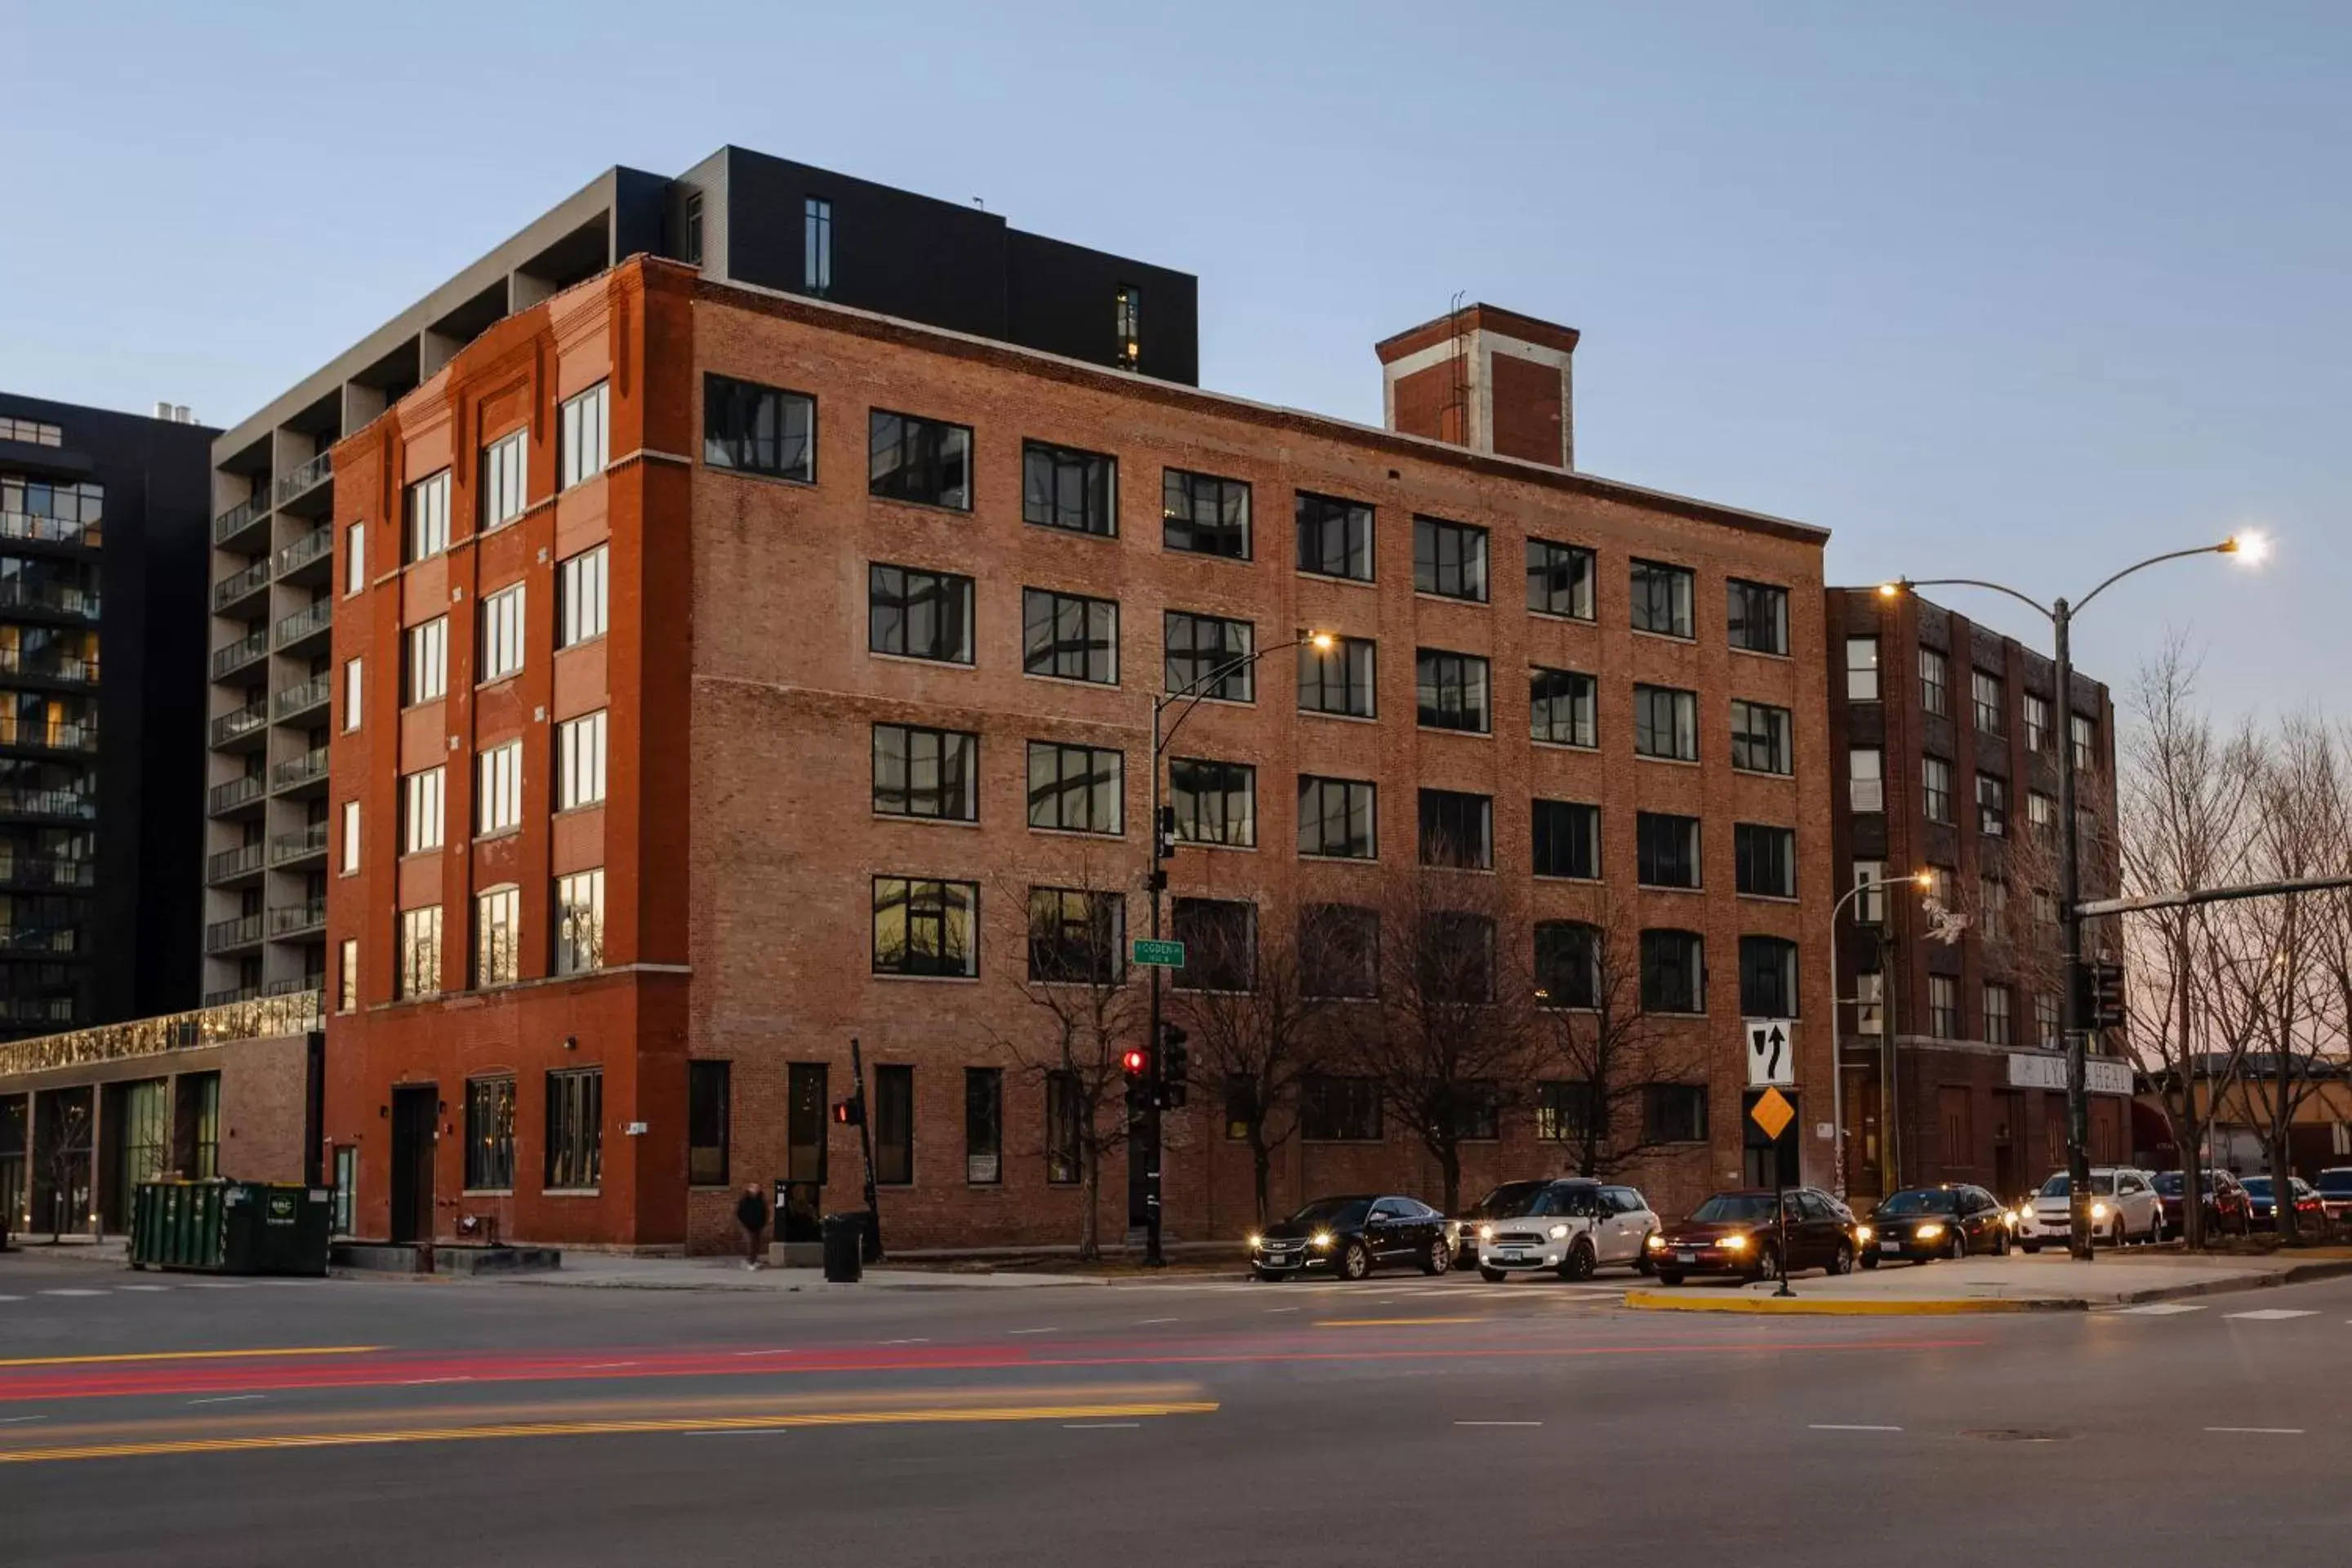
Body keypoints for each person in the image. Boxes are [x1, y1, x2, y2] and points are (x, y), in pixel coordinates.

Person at [735, 1183, 769, 1269]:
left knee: (757, 1243)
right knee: (750, 1242)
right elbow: (740, 1212)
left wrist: (763, 1222)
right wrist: (744, 1222)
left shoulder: (760, 1200)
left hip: (758, 1225)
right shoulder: (745, 1200)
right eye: (754, 1188)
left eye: (757, 1188)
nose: (756, 1190)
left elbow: (765, 1211)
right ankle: (750, 1261)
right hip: (747, 1225)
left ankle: (754, 1260)